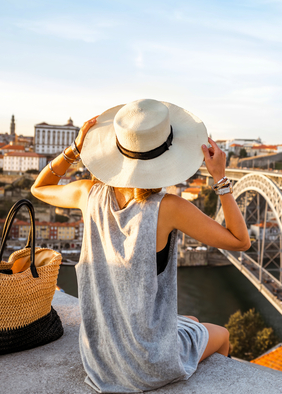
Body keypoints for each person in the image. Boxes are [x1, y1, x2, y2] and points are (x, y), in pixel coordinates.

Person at [31, 99, 250, 392]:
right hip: (147, 364)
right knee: (221, 333)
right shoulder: (169, 208)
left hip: (99, 356)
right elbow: (240, 241)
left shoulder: (88, 194)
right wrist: (220, 179)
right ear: (166, 157)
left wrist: (74, 150)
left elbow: (40, 188)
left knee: (192, 320)